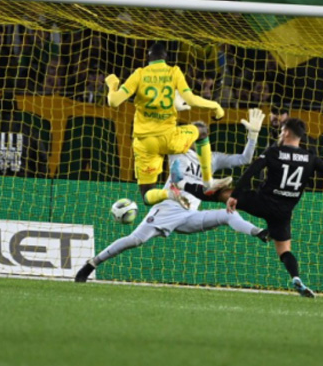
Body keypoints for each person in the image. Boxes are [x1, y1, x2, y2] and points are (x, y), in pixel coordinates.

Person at [74, 116, 268, 282]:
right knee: (135, 240)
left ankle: (258, 232)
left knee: (227, 214)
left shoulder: (212, 158)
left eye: (199, 135)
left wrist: (253, 136)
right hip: (168, 208)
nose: (195, 137)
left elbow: (244, 159)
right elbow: (175, 175)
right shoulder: (177, 150)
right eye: (193, 134)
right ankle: (91, 264)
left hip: (189, 214)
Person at [225, 118, 323, 297]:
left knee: (222, 193)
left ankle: (192, 189)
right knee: (284, 251)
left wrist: (234, 195)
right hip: (283, 212)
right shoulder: (309, 157)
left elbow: (251, 171)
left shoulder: (274, 152)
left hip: (262, 202)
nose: (280, 134)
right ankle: (295, 277)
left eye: (281, 131)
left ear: (287, 132)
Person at [105, 42, 229, 208]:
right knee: (202, 131)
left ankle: (168, 193)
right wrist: (215, 106)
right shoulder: (174, 72)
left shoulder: (139, 74)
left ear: (148, 58)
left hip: (145, 143)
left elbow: (113, 102)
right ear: (166, 58)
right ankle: (207, 181)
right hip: (170, 138)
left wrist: (112, 85)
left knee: (147, 195)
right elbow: (191, 99)